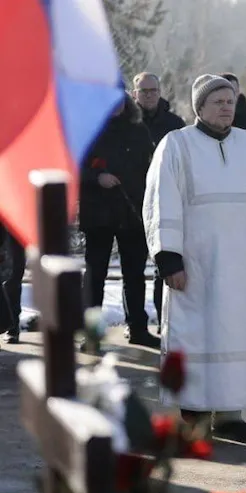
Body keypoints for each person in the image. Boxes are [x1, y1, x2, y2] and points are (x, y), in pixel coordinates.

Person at [143, 74, 246, 442]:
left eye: (230, 101)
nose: (226, 107)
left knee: (236, 336)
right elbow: (159, 205)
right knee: (195, 339)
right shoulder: (176, 146)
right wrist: (170, 261)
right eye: (217, 101)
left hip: (242, 269)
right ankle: (195, 413)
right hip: (194, 268)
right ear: (200, 106)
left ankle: (232, 413)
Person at [80, 90, 160, 349]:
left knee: (135, 275)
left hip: (131, 212)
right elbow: (74, 166)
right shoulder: (88, 130)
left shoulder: (139, 131)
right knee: (95, 277)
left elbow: (152, 167)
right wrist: (96, 178)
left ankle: (138, 327)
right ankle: (91, 334)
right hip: (98, 213)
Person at [132, 72, 186, 334]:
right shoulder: (126, 123)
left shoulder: (174, 123)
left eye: (153, 90)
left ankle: (167, 324)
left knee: (164, 266)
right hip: (132, 205)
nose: (150, 95)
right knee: (133, 271)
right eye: (144, 91)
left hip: (167, 204)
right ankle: (137, 325)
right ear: (135, 94)